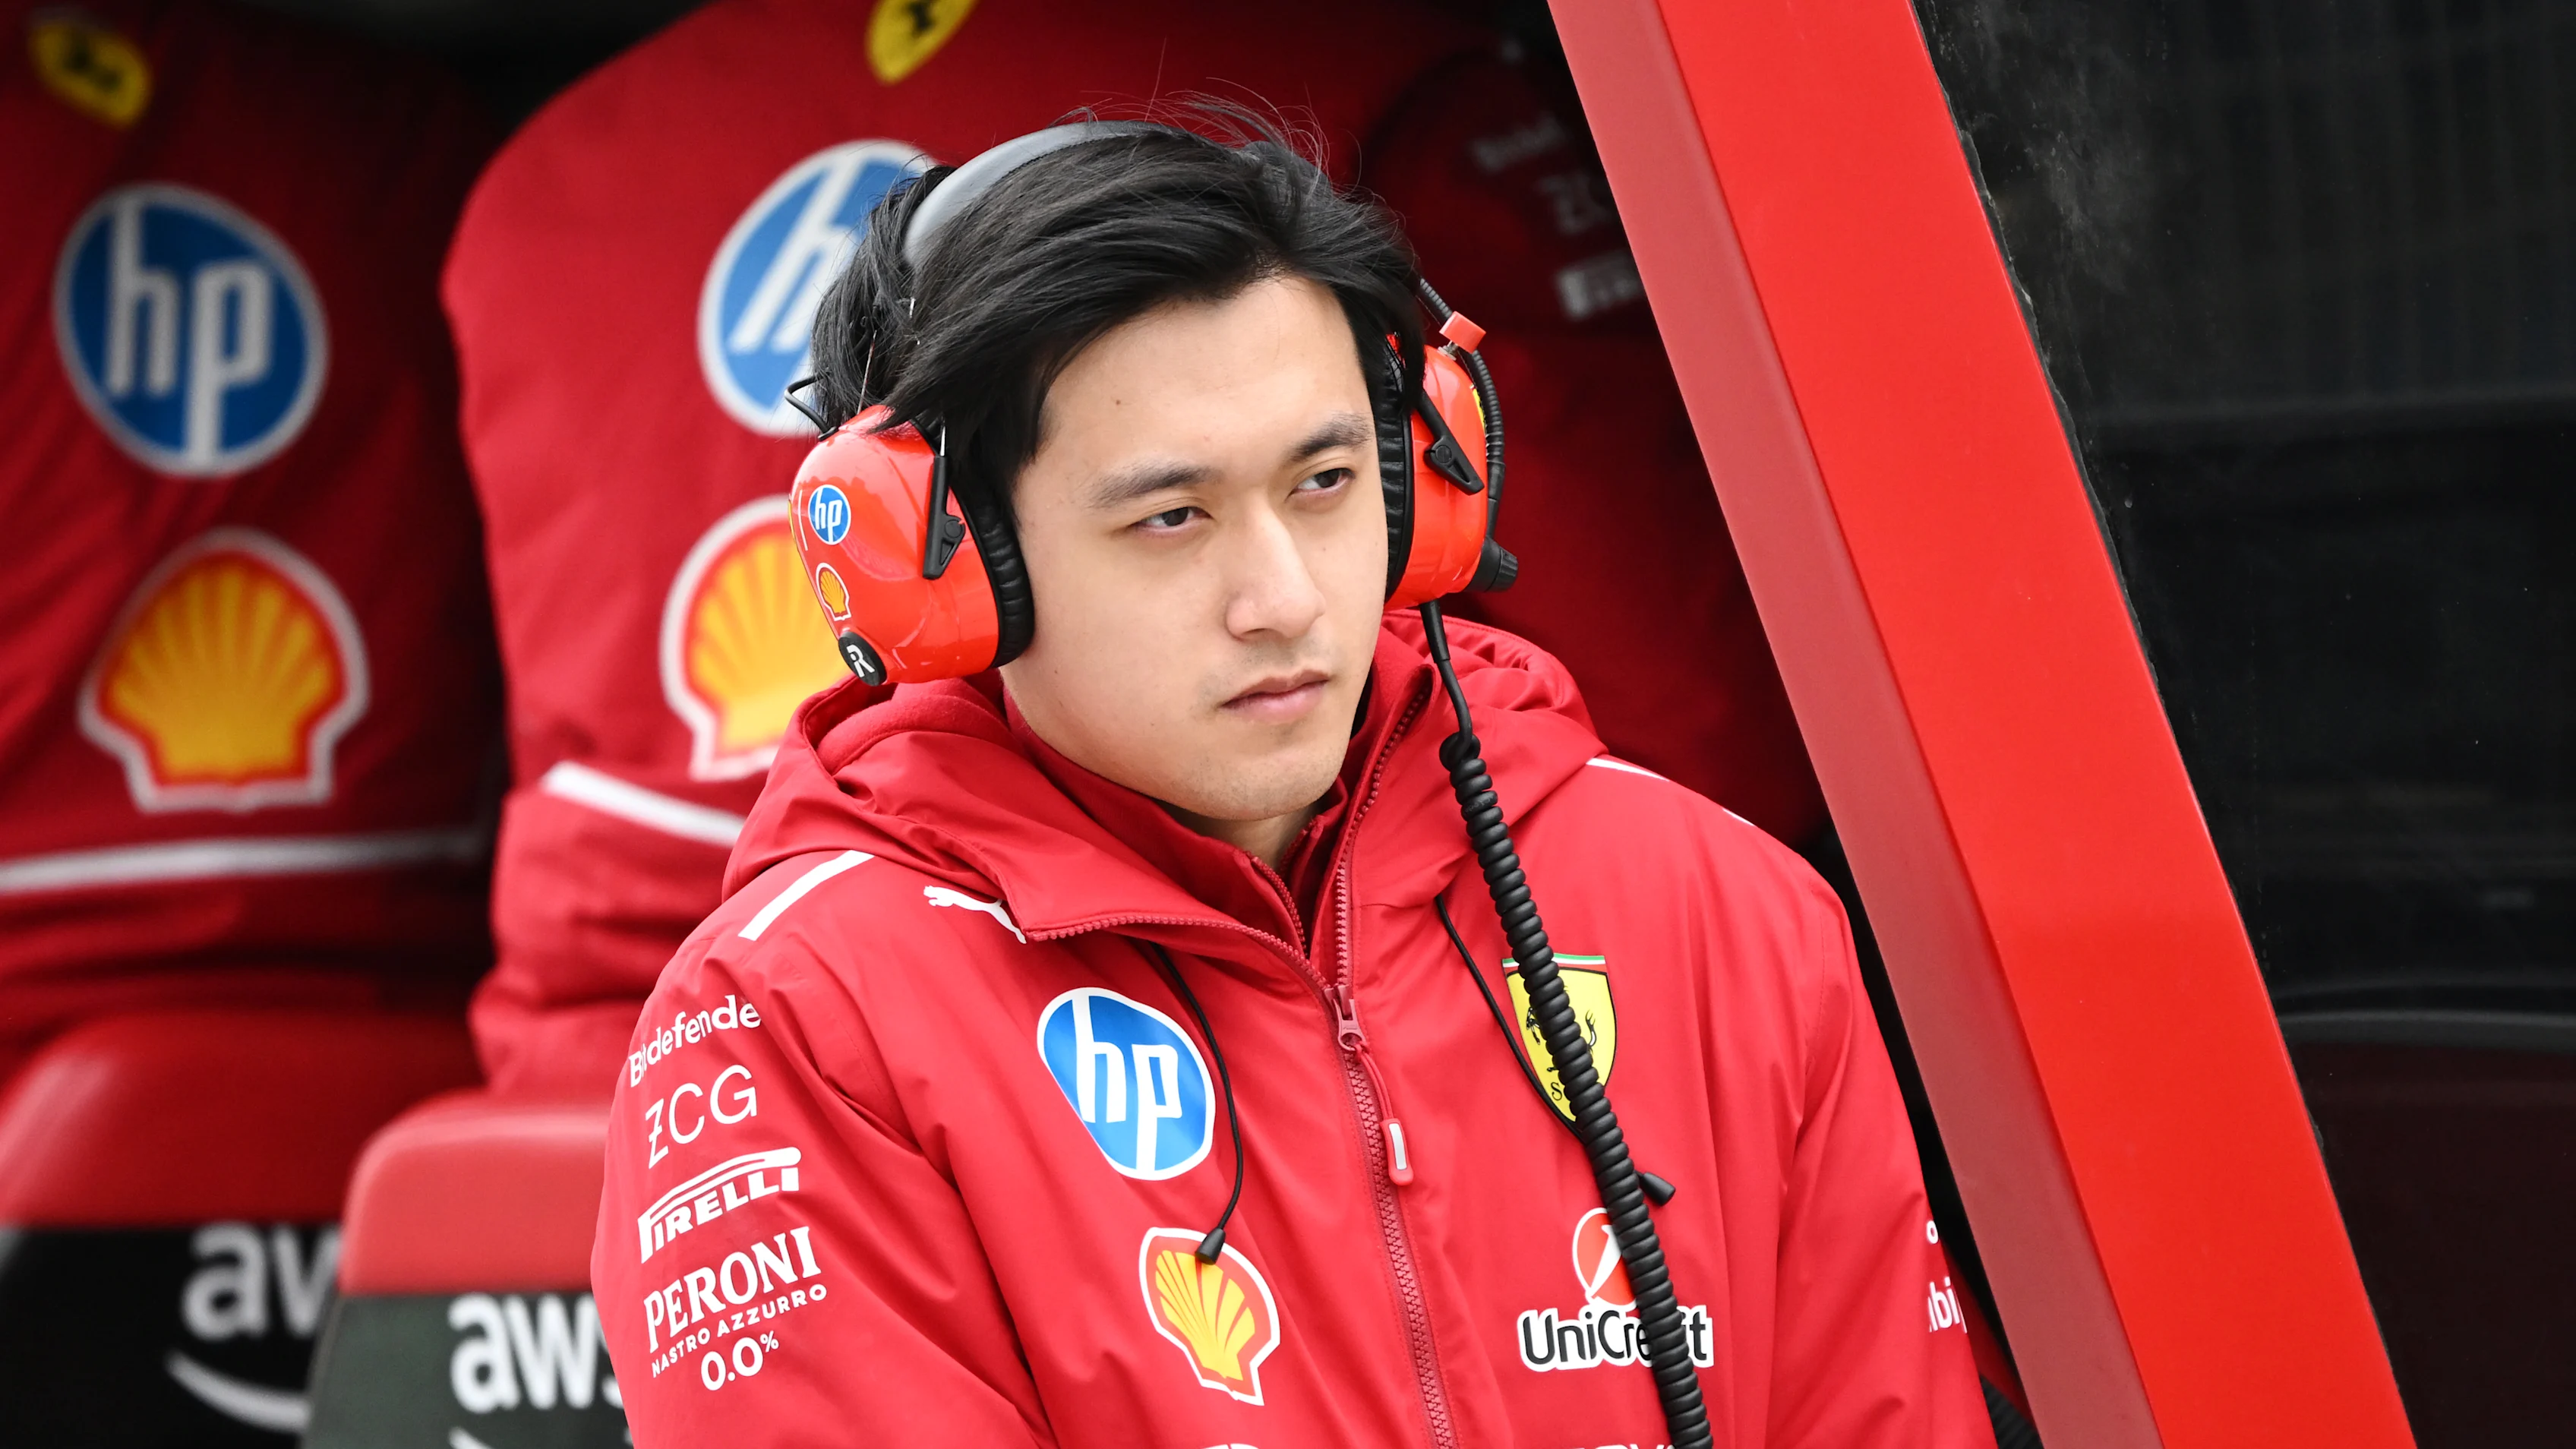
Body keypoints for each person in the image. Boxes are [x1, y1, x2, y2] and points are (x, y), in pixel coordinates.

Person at [592, 120, 1988, 1447]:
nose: (1282, 597)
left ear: (1420, 482)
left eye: (1324, 483)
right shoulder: (799, 1031)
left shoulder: (1728, 914)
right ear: (946, 569)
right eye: (1172, 516)